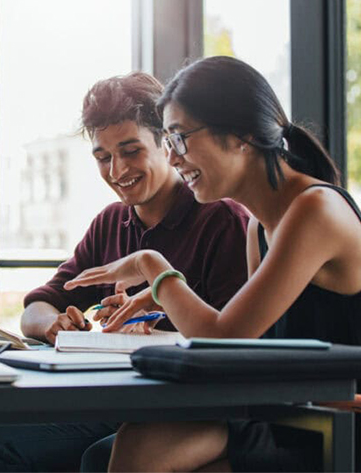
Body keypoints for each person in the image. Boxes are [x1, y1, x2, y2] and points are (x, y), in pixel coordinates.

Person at [64, 56, 361, 472]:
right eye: (168, 141)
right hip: (291, 413)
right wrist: (161, 297)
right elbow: (244, 351)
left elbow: (223, 339)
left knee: (137, 450)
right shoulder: (260, 224)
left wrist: (153, 267)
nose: (172, 157)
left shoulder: (314, 210)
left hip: (338, 422)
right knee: (127, 445)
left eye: (180, 138)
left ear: (240, 134)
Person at [0, 72, 249, 472]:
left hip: (196, 410)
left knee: (102, 459)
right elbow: (37, 307)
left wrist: (154, 336)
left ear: (166, 144)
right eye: (103, 157)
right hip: (121, 404)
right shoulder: (111, 222)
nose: (117, 171)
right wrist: (55, 324)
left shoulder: (221, 219)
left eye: (131, 151)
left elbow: (233, 345)